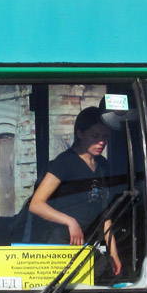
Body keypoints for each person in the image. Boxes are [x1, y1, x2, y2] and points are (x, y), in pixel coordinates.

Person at [29, 107, 122, 274]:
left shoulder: (103, 165)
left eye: (105, 136)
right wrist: (70, 221)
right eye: (95, 136)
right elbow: (36, 204)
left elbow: (105, 213)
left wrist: (113, 252)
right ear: (79, 133)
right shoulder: (64, 163)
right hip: (61, 243)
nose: (101, 142)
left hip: (88, 244)